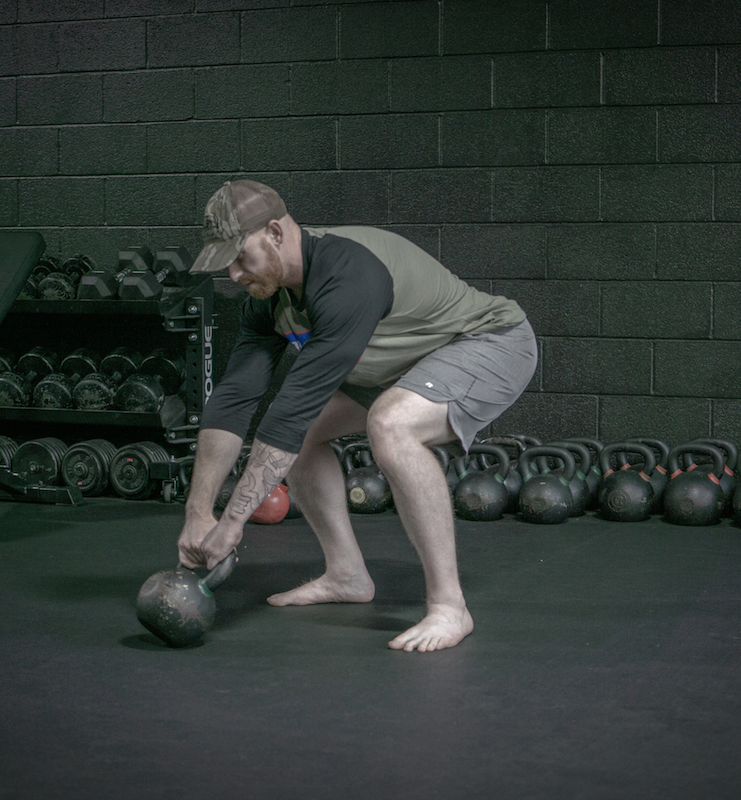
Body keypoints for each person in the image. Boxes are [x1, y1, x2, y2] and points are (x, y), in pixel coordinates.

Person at [177, 180, 537, 653]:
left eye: (240, 257)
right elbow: (235, 399)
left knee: (390, 425)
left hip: (488, 343)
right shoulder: (269, 300)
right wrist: (198, 512)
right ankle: (347, 575)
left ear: (275, 232)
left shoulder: (348, 274)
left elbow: (288, 412)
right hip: (401, 365)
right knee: (303, 438)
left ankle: (450, 607)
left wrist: (232, 523)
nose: (234, 274)